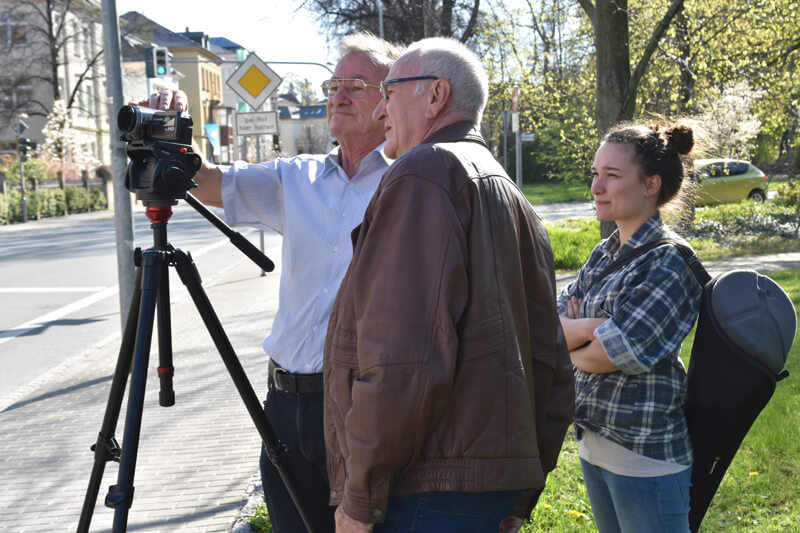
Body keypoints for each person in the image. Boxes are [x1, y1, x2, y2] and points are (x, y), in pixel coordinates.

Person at [138, 32, 403, 532]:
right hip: (282, 404)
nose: (337, 95)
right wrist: (173, 130)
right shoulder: (297, 177)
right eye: (333, 84)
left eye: (356, 85)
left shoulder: (406, 182)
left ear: (390, 103)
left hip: (357, 405)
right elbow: (208, 181)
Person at [323, 37, 574, 533]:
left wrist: (360, 496)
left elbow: (400, 359)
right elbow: (550, 359)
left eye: (389, 91)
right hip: (479, 490)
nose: (378, 111)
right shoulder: (507, 189)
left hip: (423, 491)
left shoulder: (425, 172)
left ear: (435, 96)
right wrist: (523, 490)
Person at [557, 122, 703, 533]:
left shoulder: (670, 261)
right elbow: (550, 326)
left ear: (650, 184)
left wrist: (574, 330)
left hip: (644, 455)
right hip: (595, 445)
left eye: (612, 175)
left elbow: (619, 354)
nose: (595, 187)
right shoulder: (605, 252)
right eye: (595, 173)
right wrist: (592, 326)